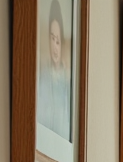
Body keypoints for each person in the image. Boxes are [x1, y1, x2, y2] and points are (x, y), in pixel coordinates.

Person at [37, 0, 71, 140]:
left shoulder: (67, 84)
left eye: (58, 41)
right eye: (52, 39)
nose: (55, 47)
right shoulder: (42, 77)